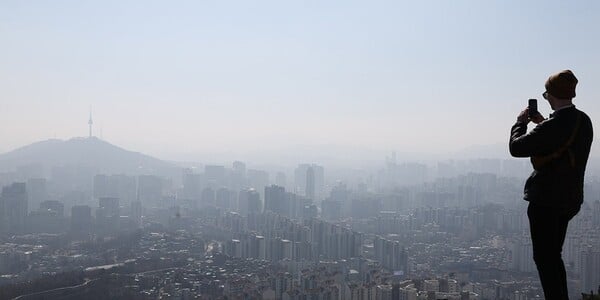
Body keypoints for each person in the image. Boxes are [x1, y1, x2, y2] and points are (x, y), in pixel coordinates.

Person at [509, 69, 593, 300]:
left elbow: (516, 148)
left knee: (545, 258)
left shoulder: (553, 126)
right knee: (553, 255)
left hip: (546, 201)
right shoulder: (583, 120)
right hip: (570, 200)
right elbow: (563, 139)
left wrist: (520, 123)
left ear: (551, 95)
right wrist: (543, 123)